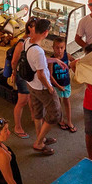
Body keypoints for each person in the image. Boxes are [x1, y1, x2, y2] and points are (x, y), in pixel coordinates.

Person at [22, 18, 58, 153]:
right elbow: (41, 74)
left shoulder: (27, 42)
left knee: (38, 113)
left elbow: (36, 63)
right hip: (41, 87)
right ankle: (39, 143)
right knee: (55, 114)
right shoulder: (38, 51)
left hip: (31, 85)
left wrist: (53, 60)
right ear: (46, 32)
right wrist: (50, 88)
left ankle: (40, 137)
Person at [48, 34, 75, 130]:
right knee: (58, 103)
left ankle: (69, 121)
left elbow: (74, 61)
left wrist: (70, 67)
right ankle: (60, 119)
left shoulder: (66, 55)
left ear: (65, 48)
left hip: (66, 84)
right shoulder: (51, 60)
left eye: (61, 48)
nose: (59, 50)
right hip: (57, 85)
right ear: (53, 48)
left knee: (67, 101)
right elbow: (50, 76)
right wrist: (58, 86)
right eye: (57, 48)